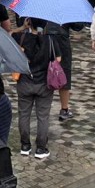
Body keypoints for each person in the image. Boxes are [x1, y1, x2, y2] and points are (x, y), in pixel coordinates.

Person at [14, 21, 57, 159]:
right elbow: (58, 58)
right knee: (43, 117)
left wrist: (22, 27)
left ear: (29, 22)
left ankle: (25, 146)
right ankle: (41, 148)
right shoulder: (50, 40)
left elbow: (8, 36)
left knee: (24, 114)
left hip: (24, 82)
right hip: (44, 84)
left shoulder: (21, 38)